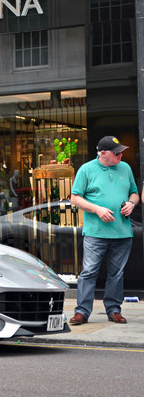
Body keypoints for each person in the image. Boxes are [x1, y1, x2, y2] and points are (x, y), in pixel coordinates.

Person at [69, 136, 139, 325]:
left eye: (121, 151)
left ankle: (114, 310)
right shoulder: (86, 169)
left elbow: (135, 192)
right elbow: (75, 199)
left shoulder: (125, 168)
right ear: (102, 153)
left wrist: (132, 204)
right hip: (95, 232)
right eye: (116, 153)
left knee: (117, 274)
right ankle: (82, 312)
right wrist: (97, 209)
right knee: (89, 271)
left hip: (122, 232)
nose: (121, 155)